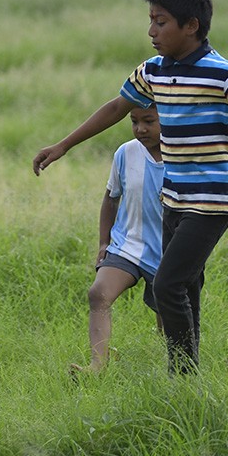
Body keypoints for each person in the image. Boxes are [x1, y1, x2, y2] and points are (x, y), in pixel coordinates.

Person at [32, 0, 228, 374]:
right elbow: (115, 108)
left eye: (160, 22)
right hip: (174, 199)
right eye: (150, 21)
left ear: (191, 25)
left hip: (212, 202)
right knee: (187, 288)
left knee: (167, 286)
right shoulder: (154, 71)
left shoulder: (224, 73)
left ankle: (181, 376)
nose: (151, 32)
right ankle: (190, 375)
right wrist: (63, 145)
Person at [73, 105, 164, 375]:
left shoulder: (184, 155)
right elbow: (111, 198)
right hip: (128, 243)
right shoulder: (126, 152)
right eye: (134, 121)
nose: (140, 129)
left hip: (169, 250)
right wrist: (104, 242)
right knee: (98, 294)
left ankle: (171, 365)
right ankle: (97, 366)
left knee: (169, 318)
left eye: (149, 121)